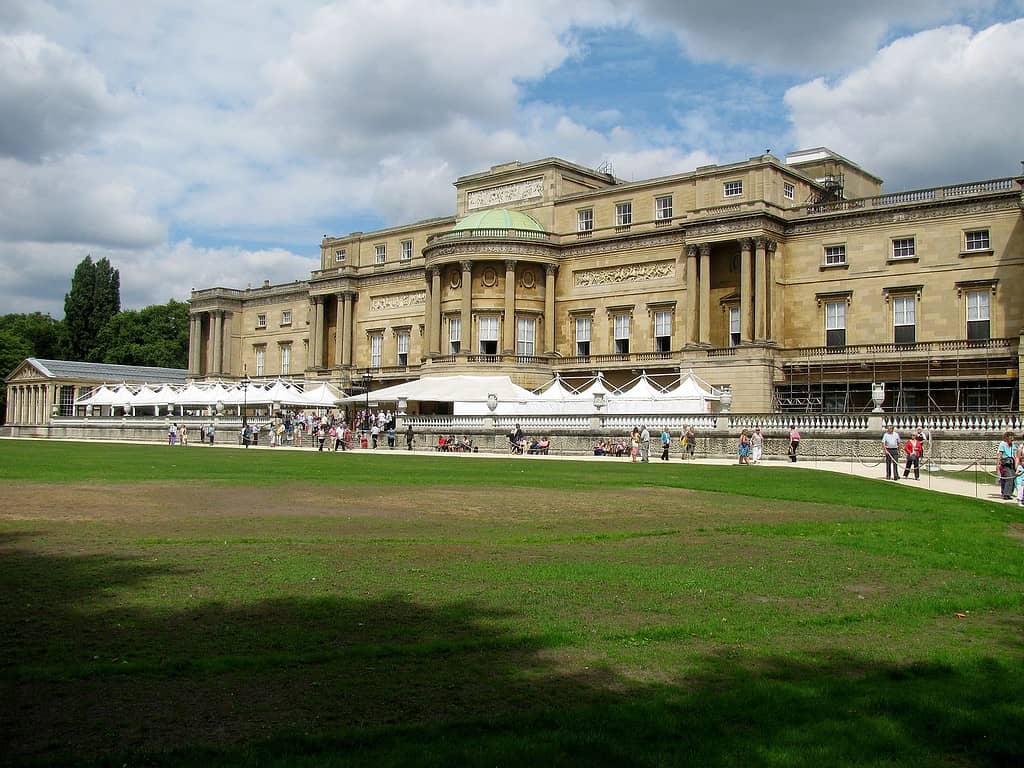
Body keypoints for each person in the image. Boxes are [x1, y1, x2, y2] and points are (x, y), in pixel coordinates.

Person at [996, 431, 1016, 499]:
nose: (1012, 439)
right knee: (1008, 477)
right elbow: (1000, 455)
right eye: (1011, 438)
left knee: (1012, 477)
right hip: (1005, 463)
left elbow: (1015, 454)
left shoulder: (1013, 445)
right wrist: (998, 464)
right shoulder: (1002, 444)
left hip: (1011, 463)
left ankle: (1008, 493)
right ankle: (1006, 494)